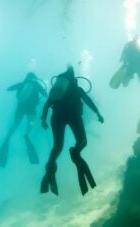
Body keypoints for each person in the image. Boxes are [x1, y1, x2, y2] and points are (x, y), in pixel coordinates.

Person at [40, 65, 103, 196]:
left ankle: (50, 167)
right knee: (83, 141)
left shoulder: (57, 90)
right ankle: (75, 152)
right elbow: (88, 101)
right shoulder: (77, 88)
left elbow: (47, 104)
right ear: (74, 79)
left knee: (57, 146)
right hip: (74, 116)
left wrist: (43, 119)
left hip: (57, 117)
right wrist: (98, 113)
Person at [0, 72, 46, 167]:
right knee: (31, 123)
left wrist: (19, 87)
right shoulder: (36, 84)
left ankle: (8, 136)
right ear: (34, 78)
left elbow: (9, 88)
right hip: (31, 109)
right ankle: (26, 135)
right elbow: (45, 94)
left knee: (15, 124)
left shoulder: (22, 84)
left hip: (20, 108)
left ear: (26, 77)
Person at [112, 37, 140, 133]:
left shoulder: (128, 47)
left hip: (132, 67)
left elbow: (122, 58)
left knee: (125, 84)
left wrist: (124, 66)